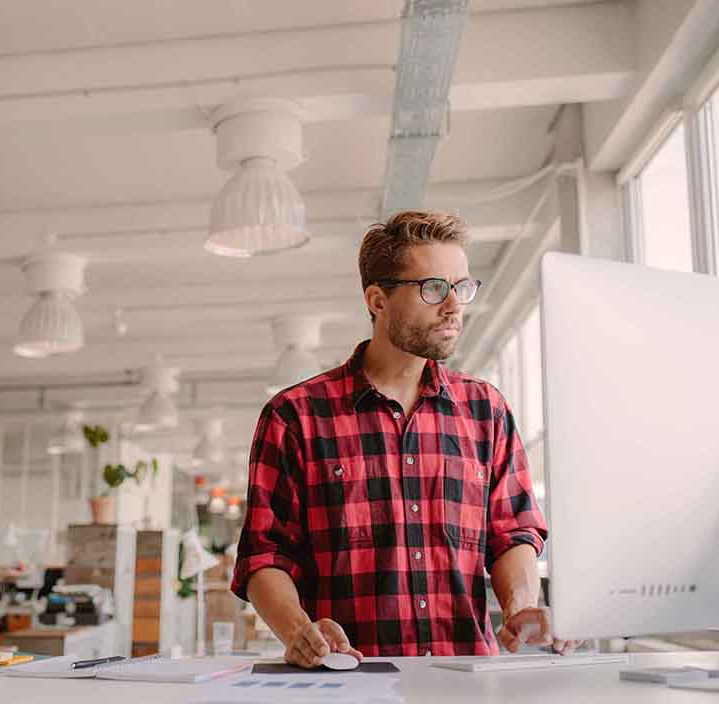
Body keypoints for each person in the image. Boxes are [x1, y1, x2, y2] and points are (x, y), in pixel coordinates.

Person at [231, 210, 582, 666]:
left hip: (467, 683)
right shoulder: (296, 416)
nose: (454, 305)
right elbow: (265, 554)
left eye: (462, 288)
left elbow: (512, 530)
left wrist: (520, 607)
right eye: (434, 288)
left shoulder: (485, 410)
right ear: (378, 299)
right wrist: (300, 631)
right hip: (347, 684)